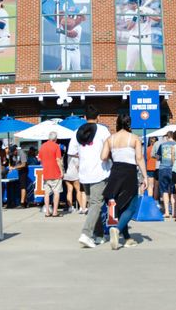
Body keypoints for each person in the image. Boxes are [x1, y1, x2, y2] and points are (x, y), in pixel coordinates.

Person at [101, 114, 148, 250]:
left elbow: (103, 157)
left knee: (121, 206)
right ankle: (117, 229)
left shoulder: (110, 139)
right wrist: (145, 177)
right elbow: (139, 158)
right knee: (132, 206)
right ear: (129, 123)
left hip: (115, 172)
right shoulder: (134, 138)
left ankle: (127, 238)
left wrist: (113, 155)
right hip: (129, 172)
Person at [68, 105, 111, 248]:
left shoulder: (76, 132)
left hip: (84, 174)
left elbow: (72, 151)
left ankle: (98, 235)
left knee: (94, 205)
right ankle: (86, 234)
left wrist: (84, 154)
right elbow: (110, 148)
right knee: (96, 204)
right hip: (99, 172)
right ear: (98, 117)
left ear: (85, 118)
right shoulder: (103, 130)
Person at [120, 0, 161, 71]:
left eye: (130, 3)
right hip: (133, 39)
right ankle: (128, 79)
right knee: (129, 64)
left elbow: (158, 19)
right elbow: (129, 27)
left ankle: (153, 78)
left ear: (135, 4)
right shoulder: (128, 12)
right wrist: (136, 16)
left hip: (145, 39)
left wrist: (146, 14)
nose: (128, 5)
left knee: (148, 63)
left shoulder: (146, 9)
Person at [38, 132, 64, 217]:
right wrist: (62, 171)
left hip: (46, 173)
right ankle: (55, 212)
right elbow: (58, 160)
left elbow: (39, 159)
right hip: (55, 172)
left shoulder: (42, 146)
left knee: (46, 193)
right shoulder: (56, 146)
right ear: (55, 139)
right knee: (56, 192)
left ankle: (47, 212)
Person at [152, 132, 176, 218]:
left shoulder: (162, 145)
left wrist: (163, 157)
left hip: (163, 169)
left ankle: (166, 212)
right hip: (173, 169)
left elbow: (157, 157)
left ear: (167, 137)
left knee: (164, 190)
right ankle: (174, 212)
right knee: (173, 191)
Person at [63, 143, 85, 214]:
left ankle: (70, 207)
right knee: (78, 190)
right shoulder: (76, 157)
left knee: (69, 191)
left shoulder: (67, 156)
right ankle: (81, 206)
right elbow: (78, 166)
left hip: (67, 174)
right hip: (75, 175)